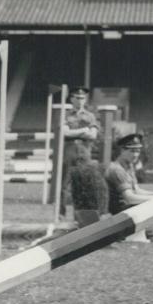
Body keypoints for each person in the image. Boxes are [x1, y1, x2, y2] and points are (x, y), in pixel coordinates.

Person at [60, 86, 99, 217]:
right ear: (71, 99)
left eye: (83, 98)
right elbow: (65, 133)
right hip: (69, 151)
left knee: (83, 183)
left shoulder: (90, 116)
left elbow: (93, 135)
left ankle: (80, 213)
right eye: (77, 98)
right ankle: (61, 213)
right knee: (64, 183)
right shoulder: (65, 115)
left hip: (84, 151)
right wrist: (83, 131)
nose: (80, 100)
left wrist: (74, 133)